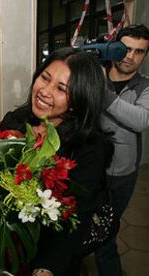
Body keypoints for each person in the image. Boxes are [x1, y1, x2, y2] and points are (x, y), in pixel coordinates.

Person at [0, 48, 112, 276]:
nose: (44, 91)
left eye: (61, 89)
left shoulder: (90, 148)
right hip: (9, 244)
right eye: (44, 78)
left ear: (78, 100)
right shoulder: (15, 122)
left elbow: (77, 219)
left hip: (51, 253)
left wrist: (47, 267)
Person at [95, 24, 149, 276]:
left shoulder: (145, 86)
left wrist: (104, 95)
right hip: (88, 169)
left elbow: (140, 120)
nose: (130, 56)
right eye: (125, 48)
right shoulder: (96, 74)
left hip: (121, 177)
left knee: (106, 236)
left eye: (139, 52)